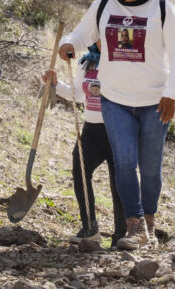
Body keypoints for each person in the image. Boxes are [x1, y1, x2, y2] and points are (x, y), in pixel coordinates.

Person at [58, 0, 175, 250]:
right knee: (125, 162)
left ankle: (150, 224)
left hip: (155, 101)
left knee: (150, 167)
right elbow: (79, 35)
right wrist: (68, 44)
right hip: (114, 99)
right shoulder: (102, 6)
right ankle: (134, 225)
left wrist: (171, 93)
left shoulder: (164, 10)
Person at [41, 43, 126, 246]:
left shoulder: (123, 60)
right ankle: (89, 228)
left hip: (118, 130)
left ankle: (121, 236)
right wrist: (56, 83)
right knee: (80, 170)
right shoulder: (87, 62)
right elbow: (78, 94)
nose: (99, 39)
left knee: (119, 183)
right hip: (91, 131)